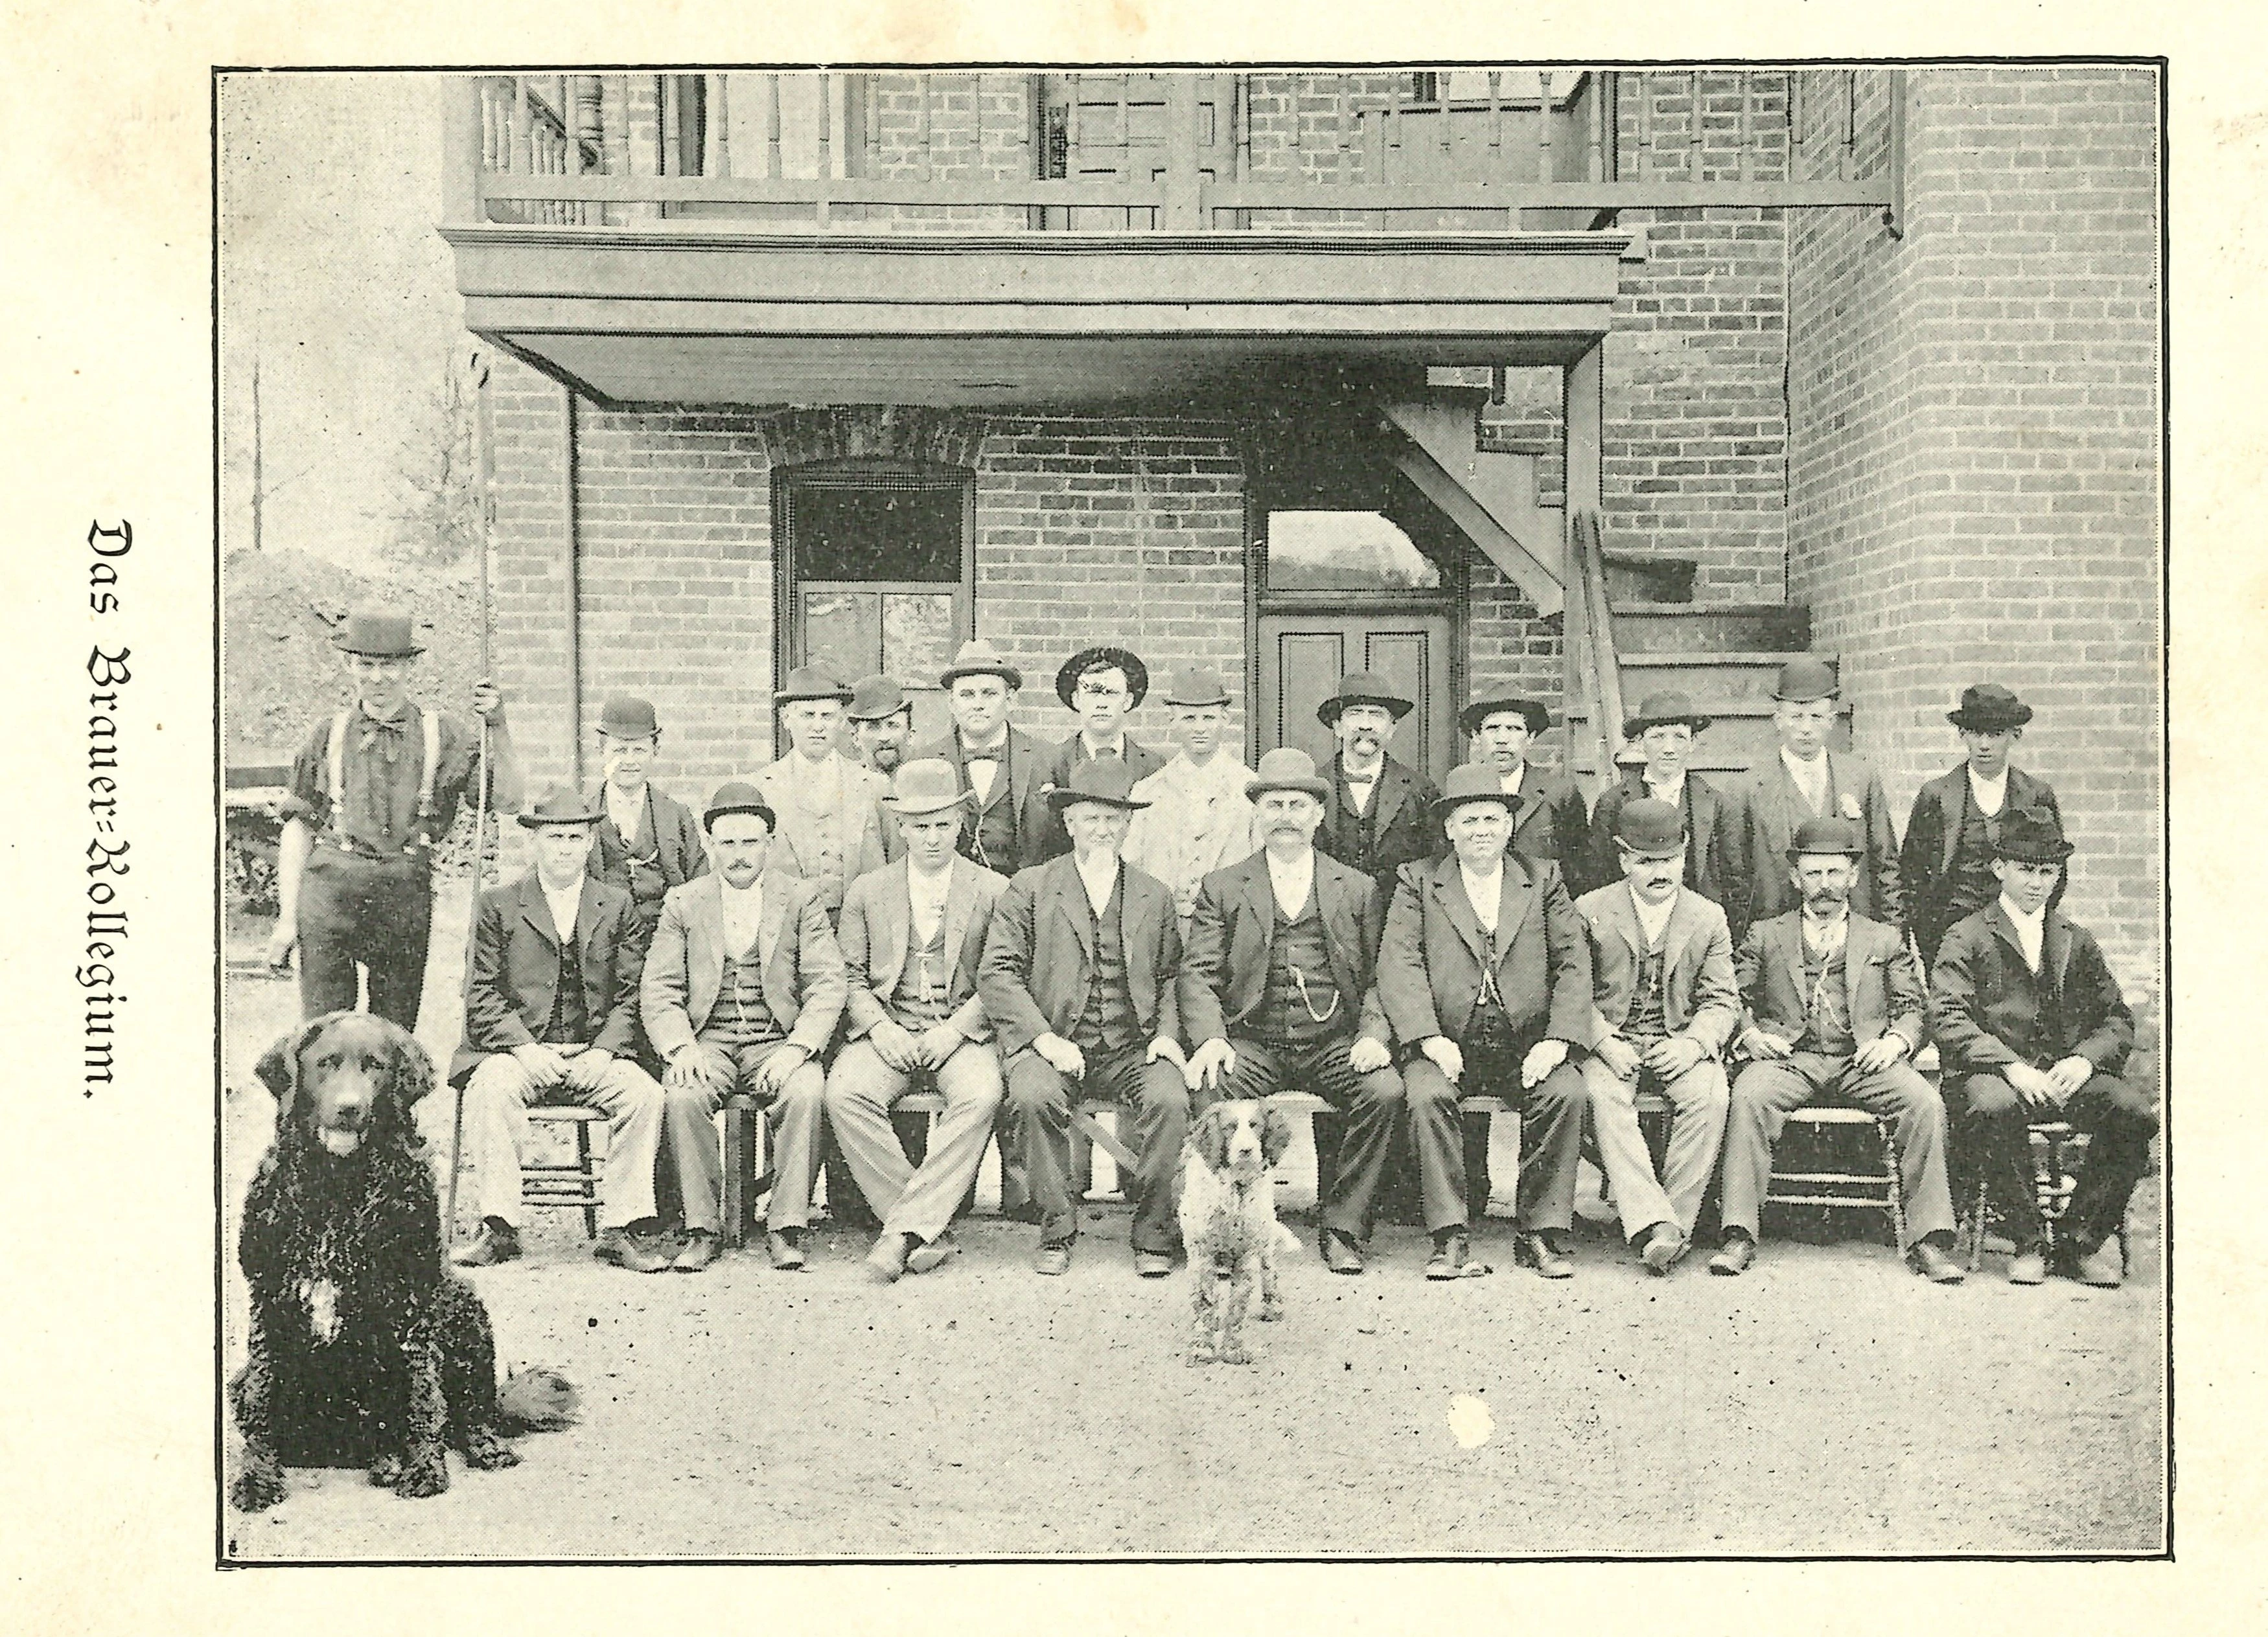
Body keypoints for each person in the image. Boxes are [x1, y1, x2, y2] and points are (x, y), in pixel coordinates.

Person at [1179, 749, 1407, 1275]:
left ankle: (1343, 1226)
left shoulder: (1356, 887)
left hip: (1333, 1041)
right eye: (1274, 804)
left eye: (1298, 805)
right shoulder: (1225, 885)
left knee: (1384, 1090)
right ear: (1257, 815)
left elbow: (1381, 975)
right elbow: (1198, 973)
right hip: (1253, 1040)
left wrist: (1373, 1033)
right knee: (1207, 1090)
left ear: (1319, 815)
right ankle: (1225, 1227)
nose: (1286, 815)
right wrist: (1213, 1037)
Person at [1713, 816, 1964, 1283]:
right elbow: (1732, 998)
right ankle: (1739, 1233)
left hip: (1862, 1057)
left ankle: (1928, 1240)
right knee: (1746, 1097)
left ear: (1852, 876)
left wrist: (1895, 1041)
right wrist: (1749, 1034)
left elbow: (1914, 1007)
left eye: (1834, 873)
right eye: (1813, 873)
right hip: (1790, 1056)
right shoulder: (1765, 935)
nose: (1824, 885)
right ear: (1795, 877)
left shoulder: (1884, 937)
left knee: (1925, 1102)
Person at [1375, 764, 1594, 1279]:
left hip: (1526, 1041)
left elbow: (1572, 961)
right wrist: (1427, 1036)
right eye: (1468, 820)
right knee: (1427, 1097)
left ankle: (1540, 1233)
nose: (1481, 830)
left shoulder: (1543, 878)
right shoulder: (1418, 879)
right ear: (1449, 828)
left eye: (1492, 819)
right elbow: (1399, 962)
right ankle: (1450, 1235)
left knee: (1567, 1092)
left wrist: (1559, 1039)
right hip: (1448, 1039)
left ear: (1510, 825)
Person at [447, 786, 673, 1274]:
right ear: (535, 843)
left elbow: (634, 994)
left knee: (645, 1095)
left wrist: (608, 1050)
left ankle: (619, 1228)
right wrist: (526, 1050)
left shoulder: (616, 905)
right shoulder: (498, 904)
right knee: (489, 1087)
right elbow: (478, 994)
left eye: (574, 837)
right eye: (554, 838)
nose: (565, 848)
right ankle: (500, 1228)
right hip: (520, 1051)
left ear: (591, 842)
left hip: (594, 1052)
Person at [978, 760, 1189, 1277]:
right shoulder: (1030, 886)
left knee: (1170, 1098)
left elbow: (1170, 975)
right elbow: (997, 972)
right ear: (1068, 822)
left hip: (1132, 1045)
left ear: (1128, 825)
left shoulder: (1153, 893)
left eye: (1113, 819)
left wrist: (1165, 1035)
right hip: (1055, 1039)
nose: (1102, 829)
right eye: (1090, 818)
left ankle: (1154, 1233)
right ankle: (1056, 1228)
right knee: (1031, 1095)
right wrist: (1044, 1040)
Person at [266, 606, 524, 1027]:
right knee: (326, 1035)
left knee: (393, 1037)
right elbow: (298, 828)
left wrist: (499, 725)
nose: (377, 678)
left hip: (403, 894)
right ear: (350, 664)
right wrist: (286, 918)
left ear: (409, 666)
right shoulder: (327, 734)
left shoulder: (444, 735)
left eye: (389, 666)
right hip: (331, 894)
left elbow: (510, 800)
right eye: (366, 665)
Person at [1928, 807, 2153, 1288]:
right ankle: (2027, 1240)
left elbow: (2116, 1017)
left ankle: (2078, 1242)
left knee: (2133, 1111)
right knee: (1992, 1105)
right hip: (1993, 1075)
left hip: (2063, 1075)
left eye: (2047, 871)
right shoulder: (1966, 935)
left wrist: (2085, 1058)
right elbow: (1947, 1016)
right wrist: (2008, 1064)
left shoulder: (2076, 939)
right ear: (1999, 868)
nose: (2036, 882)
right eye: (2026, 869)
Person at [641, 782, 848, 1272]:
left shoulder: (799, 899)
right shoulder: (684, 902)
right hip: (707, 1041)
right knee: (682, 1093)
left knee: (806, 1091)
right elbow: (659, 987)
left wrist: (797, 1047)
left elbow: (827, 983)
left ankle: (785, 1225)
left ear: (770, 843)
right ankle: (702, 1228)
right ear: (711, 845)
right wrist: (679, 1047)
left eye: (750, 842)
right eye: (728, 843)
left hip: (775, 1040)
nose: (739, 854)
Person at [825, 761, 1010, 1283]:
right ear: (901, 827)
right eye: (920, 825)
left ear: (960, 823)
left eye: (942, 824)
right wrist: (881, 1028)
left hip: (961, 1030)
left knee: (980, 1094)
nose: (932, 837)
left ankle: (900, 1234)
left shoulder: (994, 889)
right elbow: (851, 977)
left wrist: (955, 1031)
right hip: (890, 1026)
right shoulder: (868, 890)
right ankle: (928, 1226)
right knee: (844, 1093)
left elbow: (1000, 976)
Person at [1573, 798, 1739, 1276]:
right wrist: (1603, 1040)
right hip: (1612, 1040)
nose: (1659, 871)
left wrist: (1692, 1044)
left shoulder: (1708, 917)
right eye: (1646, 861)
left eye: (1669, 860)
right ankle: (1656, 1222)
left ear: (1685, 856)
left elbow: (1722, 999)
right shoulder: (1591, 910)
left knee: (1710, 1094)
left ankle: (1671, 1226)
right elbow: (1570, 992)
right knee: (1603, 1096)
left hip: (1677, 1039)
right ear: (1624, 859)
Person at [1726, 657, 1902, 933]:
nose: (1806, 728)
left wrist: (1894, 937)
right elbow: (1737, 878)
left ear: (1832, 721)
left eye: (1817, 717)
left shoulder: (1861, 777)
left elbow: (1886, 863)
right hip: (1779, 935)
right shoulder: (1748, 788)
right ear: (1778, 720)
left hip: (1854, 932)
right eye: (1797, 717)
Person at [1901, 683, 2066, 969]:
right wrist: (1929, 938)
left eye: (1995, 734)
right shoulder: (1937, 796)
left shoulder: (2036, 795)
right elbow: (1912, 874)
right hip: (1950, 933)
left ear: (2015, 735)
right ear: (1963, 734)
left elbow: (2056, 870)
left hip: (2013, 933)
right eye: (1976, 733)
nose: (1984, 744)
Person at [1582, 691, 1743, 933]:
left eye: (1679, 737)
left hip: (1694, 931)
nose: (1669, 748)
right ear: (1641, 743)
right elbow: (1598, 875)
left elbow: (1734, 880)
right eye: (1658, 737)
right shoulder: (1613, 803)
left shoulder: (1717, 805)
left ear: (1693, 744)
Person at [1122, 665, 1262, 926]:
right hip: (1164, 927)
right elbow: (1132, 869)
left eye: (1208, 718)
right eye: (1189, 718)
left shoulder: (1250, 789)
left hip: (1230, 926)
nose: (1200, 728)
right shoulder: (1148, 791)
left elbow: (1261, 870)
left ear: (1225, 719)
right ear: (1172, 721)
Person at [754, 667, 892, 924]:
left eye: (827, 716)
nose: (817, 726)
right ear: (786, 719)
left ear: (842, 722)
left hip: (862, 928)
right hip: (789, 929)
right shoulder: (761, 789)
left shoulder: (874, 786)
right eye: (807, 715)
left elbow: (896, 866)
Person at [912, 637, 1053, 878]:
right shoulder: (924, 761)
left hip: (1024, 894)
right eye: (967, 695)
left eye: (989, 694)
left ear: (1010, 700)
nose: (978, 704)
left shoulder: (1047, 758)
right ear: (951, 702)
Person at [1023, 645, 1168, 865]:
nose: (1101, 703)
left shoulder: (1154, 766)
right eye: (1092, 692)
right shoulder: (1049, 763)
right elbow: (1037, 844)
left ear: (1128, 700)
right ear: (1076, 700)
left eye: (1111, 693)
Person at [582, 695, 707, 946]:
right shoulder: (582, 816)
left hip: (665, 943)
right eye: (619, 750)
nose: (629, 761)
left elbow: (701, 885)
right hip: (601, 944)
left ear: (655, 751)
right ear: (601, 750)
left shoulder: (677, 816)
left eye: (639, 750)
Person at [1314, 671, 1442, 900]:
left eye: (1376, 715)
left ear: (1391, 728)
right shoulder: (1313, 790)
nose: (1366, 725)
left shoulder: (1420, 791)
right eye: (1355, 714)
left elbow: (1434, 866)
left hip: (1396, 920)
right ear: (1338, 727)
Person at [1454, 694, 1589, 884]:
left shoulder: (1559, 793)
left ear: (1531, 737)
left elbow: (1579, 867)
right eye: (1492, 728)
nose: (1502, 739)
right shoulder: (1458, 792)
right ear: (1476, 736)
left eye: (1514, 729)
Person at [846, 673, 915, 777]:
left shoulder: (929, 783)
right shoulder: (844, 785)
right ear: (856, 738)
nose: (884, 737)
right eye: (873, 728)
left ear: (911, 736)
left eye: (893, 726)